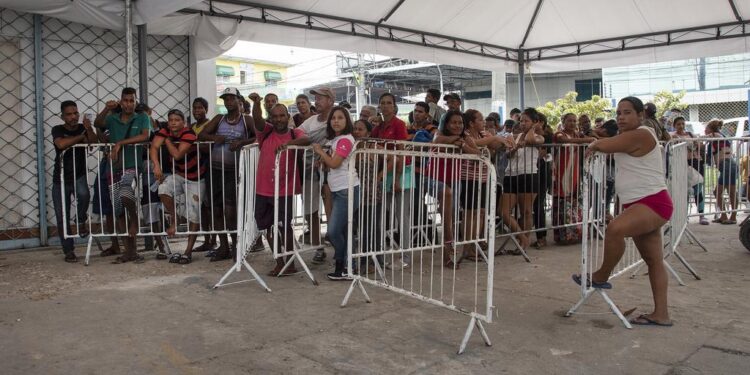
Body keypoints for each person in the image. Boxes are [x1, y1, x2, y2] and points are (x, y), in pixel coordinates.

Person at [575, 96, 674, 327]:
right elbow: (609, 143)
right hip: (640, 203)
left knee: (615, 229)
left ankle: (601, 276)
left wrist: (594, 143)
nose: (620, 116)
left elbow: (605, 145)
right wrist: (596, 141)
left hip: (652, 203)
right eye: (618, 112)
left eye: (627, 112)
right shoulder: (628, 136)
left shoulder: (642, 133)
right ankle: (661, 314)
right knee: (653, 261)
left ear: (641, 116)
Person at [198, 87, 260, 261]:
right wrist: (213, 138)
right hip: (215, 170)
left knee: (230, 211)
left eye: (232, 98)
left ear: (239, 100)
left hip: (234, 172)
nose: (228, 102)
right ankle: (223, 246)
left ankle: (235, 245)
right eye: (226, 99)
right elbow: (201, 135)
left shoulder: (246, 121)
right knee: (216, 209)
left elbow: (258, 137)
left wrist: (242, 142)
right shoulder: (219, 119)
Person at [94, 87, 151, 264]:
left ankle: (134, 218)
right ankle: (129, 251)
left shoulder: (141, 117)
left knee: (127, 194)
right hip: (113, 167)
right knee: (118, 209)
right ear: (121, 101)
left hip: (131, 165)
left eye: (131, 100)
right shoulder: (113, 118)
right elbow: (98, 123)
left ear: (135, 101)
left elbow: (145, 136)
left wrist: (120, 143)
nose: (128, 104)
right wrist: (106, 108)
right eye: (125, 100)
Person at [254, 104, 307, 276]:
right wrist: (256, 103)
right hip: (263, 188)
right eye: (275, 116)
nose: (278, 119)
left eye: (282, 115)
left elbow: (308, 140)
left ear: (287, 116)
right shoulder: (266, 132)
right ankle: (279, 261)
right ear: (270, 117)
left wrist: (289, 144)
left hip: (285, 189)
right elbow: (257, 120)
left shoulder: (294, 133)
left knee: (285, 227)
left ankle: (290, 263)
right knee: (267, 226)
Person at [150, 109, 206, 264]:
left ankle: (187, 252)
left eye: (176, 120)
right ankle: (174, 219)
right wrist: (156, 165)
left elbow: (177, 155)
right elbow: (154, 147)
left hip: (196, 178)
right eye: (170, 120)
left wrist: (166, 140)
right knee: (163, 189)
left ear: (183, 122)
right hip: (180, 175)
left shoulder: (189, 134)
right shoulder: (165, 131)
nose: (173, 123)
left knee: (194, 214)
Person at [287, 87, 335, 263]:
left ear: (330, 100)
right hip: (309, 168)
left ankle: (338, 245)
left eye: (321, 98)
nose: (317, 101)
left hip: (332, 170)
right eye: (315, 98)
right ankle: (318, 247)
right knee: (311, 210)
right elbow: (296, 131)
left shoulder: (337, 118)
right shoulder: (312, 121)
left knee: (332, 209)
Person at [312, 106, 360, 279]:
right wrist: (323, 159)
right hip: (340, 190)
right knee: (343, 231)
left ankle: (343, 264)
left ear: (347, 121)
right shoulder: (337, 140)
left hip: (346, 190)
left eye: (340, 117)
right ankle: (346, 267)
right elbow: (331, 162)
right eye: (333, 118)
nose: (336, 121)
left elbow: (335, 163)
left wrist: (319, 152)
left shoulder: (345, 140)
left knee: (333, 232)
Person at [52, 100, 97, 263]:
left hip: (79, 175)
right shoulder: (57, 129)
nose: (73, 117)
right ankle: (68, 250)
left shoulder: (82, 128)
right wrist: (80, 137)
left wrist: (88, 128)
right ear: (63, 116)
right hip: (61, 178)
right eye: (69, 114)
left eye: (75, 113)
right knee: (61, 215)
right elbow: (61, 144)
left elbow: (93, 143)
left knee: (84, 195)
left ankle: (80, 220)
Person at [372, 92, 412, 269]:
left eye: (389, 103)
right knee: (385, 215)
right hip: (385, 171)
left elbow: (401, 152)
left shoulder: (399, 124)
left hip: (401, 172)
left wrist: (397, 179)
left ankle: (406, 255)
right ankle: (384, 251)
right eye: (383, 102)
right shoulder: (379, 127)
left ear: (394, 106)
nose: (386, 106)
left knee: (401, 215)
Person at [501, 108, 544, 251]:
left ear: (535, 122)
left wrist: (533, 128)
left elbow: (531, 140)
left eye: (526, 121)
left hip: (529, 174)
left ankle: (524, 242)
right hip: (511, 175)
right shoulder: (514, 136)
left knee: (526, 211)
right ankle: (523, 238)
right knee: (504, 212)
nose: (523, 123)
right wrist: (514, 148)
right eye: (521, 121)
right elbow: (507, 154)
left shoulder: (539, 136)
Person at [552, 113, 595, 245]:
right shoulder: (559, 134)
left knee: (576, 201)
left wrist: (591, 137)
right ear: (563, 122)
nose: (572, 123)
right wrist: (586, 140)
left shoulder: (578, 135)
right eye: (569, 121)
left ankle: (576, 233)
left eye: (574, 121)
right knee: (562, 202)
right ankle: (563, 236)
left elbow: (592, 138)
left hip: (575, 173)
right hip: (561, 172)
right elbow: (563, 141)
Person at [189, 97, 218, 252]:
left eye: (200, 108)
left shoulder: (210, 125)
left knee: (209, 205)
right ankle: (207, 239)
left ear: (206, 109)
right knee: (202, 205)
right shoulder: (191, 126)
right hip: (195, 169)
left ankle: (213, 239)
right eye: (195, 108)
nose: (197, 111)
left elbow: (210, 147)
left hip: (208, 167)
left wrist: (196, 146)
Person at [671, 116, 708, 225]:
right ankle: (684, 216)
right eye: (678, 124)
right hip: (681, 164)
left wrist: (697, 143)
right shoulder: (672, 136)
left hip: (695, 163)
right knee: (684, 191)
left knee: (698, 189)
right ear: (674, 125)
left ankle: (702, 215)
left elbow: (700, 145)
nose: (681, 126)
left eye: (683, 123)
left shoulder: (691, 135)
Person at [705, 118, 738, 224]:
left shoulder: (716, 135)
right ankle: (724, 215)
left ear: (711, 129)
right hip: (726, 166)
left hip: (728, 165)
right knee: (721, 192)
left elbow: (701, 138)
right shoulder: (718, 136)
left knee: (729, 192)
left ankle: (732, 217)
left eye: (706, 127)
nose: (705, 130)